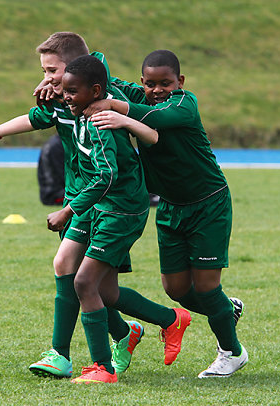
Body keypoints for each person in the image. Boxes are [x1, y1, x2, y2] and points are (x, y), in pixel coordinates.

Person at [0, 32, 148, 379]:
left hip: (112, 200)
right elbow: (35, 118)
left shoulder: (98, 97)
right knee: (74, 272)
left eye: (50, 70)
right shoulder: (67, 93)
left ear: (76, 72)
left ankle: (103, 357)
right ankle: (76, 350)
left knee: (91, 283)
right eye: (43, 71)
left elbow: (137, 139)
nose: (45, 79)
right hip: (83, 194)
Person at [88, 49, 248, 378]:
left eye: (166, 83)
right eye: (150, 83)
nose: (158, 89)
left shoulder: (185, 104)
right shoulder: (138, 95)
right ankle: (225, 309)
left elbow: (155, 119)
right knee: (175, 289)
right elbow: (100, 71)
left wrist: (118, 112)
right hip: (170, 207)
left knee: (206, 286)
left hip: (208, 203)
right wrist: (60, 75)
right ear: (142, 81)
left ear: (181, 81)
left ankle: (231, 352)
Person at [45, 55, 191, 384]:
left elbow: (107, 175)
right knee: (106, 292)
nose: (65, 95)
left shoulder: (99, 122)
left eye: (71, 90)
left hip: (120, 209)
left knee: (83, 282)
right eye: (62, 88)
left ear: (96, 91)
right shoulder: (80, 109)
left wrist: (69, 209)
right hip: (101, 206)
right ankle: (170, 319)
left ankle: (102, 368)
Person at [37, 134, 65, 205]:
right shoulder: (57, 145)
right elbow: (63, 174)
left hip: (49, 192)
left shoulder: (54, 141)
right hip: (53, 196)